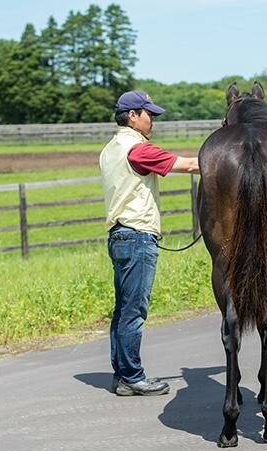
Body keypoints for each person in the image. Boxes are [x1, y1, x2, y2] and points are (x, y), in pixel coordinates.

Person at [99, 91, 199, 396]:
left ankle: (123, 375)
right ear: (132, 116)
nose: (151, 119)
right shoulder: (137, 150)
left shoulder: (110, 149)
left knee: (123, 309)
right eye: (148, 114)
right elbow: (190, 165)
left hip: (120, 235)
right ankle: (133, 376)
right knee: (134, 311)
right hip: (137, 237)